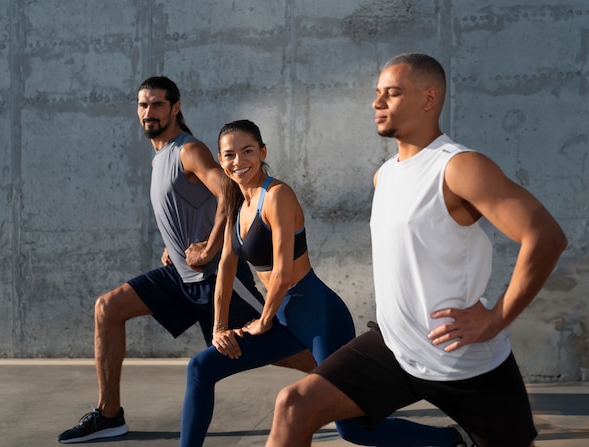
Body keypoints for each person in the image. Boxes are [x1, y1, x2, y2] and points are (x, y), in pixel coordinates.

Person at [265, 53, 568, 447]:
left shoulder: (458, 167)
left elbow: (545, 236)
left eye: (391, 93)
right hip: (394, 347)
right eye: (377, 93)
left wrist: (495, 319)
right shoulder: (385, 175)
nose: (377, 103)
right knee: (294, 405)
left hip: (464, 360)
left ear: (429, 98)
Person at [178, 119, 471, 447]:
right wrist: (219, 328)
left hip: (318, 315)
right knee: (201, 367)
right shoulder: (235, 203)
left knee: (352, 429)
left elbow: (283, 274)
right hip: (283, 318)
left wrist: (262, 321)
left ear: (262, 152)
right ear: (220, 159)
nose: (238, 161)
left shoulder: (277, 196)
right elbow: (226, 270)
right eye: (229, 155)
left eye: (247, 151)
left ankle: (453, 440)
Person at [57, 77, 314, 444]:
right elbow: (186, 210)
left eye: (158, 104)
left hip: (215, 279)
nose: (149, 112)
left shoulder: (187, 149)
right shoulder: (158, 158)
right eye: (143, 105)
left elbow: (227, 191)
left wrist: (210, 249)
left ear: (175, 107)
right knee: (107, 308)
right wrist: (174, 247)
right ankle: (109, 414)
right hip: (179, 276)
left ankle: (349, 382)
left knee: (279, 348)